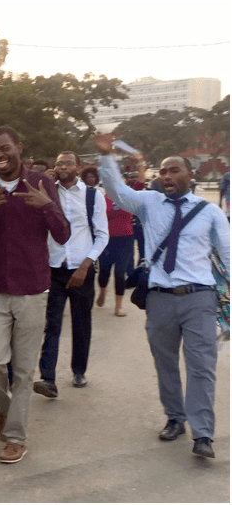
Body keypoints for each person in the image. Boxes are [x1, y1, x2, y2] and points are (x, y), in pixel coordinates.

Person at [95, 133, 229, 459]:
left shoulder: (209, 212)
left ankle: (203, 433)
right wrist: (106, 157)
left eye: (174, 171)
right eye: (163, 172)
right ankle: (175, 417)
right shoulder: (148, 202)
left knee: (201, 366)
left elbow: (227, 253)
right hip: (160, 298)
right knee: (165, 362)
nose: (166, 176)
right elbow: (116, 190)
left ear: (189, 176)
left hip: (200, 297)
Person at [0, 125, 70, 463]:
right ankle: (4, 408)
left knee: (25, 370)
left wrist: (46, 206)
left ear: (18, 148)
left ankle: (15, 436)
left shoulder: (42, 183)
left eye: (4, 149)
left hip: (32, 288)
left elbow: (63, 234)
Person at [34, 152, 108, 399]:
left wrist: (85, 266)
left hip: (81, 269)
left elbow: (102, 235)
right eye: (58, 163)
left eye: (68, 163)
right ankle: (48, 378)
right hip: (55, 269)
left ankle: (79, 370)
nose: (62, 167)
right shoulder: (47, 192)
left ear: (77, 167)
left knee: (81, 323)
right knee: (52, 323)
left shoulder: (92, 195)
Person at [96, 171, 136, 317]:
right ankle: (102, 291)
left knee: (120, 273)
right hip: (107, 240)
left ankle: (118, 306)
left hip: (125, 239)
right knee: (104, 271)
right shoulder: (101, 199)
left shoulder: (129, 199)